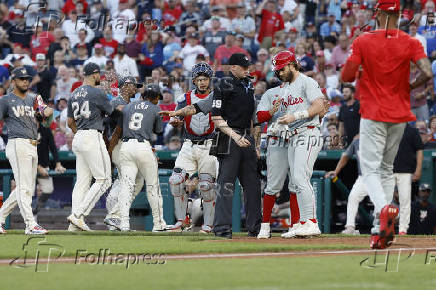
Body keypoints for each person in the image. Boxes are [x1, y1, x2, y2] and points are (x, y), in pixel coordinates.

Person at [341, 0, 433, 249]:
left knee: (369, 170)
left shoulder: (364, 40)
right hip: (400, 114)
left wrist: (358, 67)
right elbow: (427, 72)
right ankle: (377, 229)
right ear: (400, 14)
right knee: (385, 168)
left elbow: (346, 76)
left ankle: (384, 209)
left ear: (377, 13)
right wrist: (408, 88)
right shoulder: (410, 41)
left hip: (373, 112)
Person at [272, 51, 326, 237]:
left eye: (282, 68)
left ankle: (311, 222)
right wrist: (279, 126)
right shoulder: (287, 87)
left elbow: (320, 106)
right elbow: (289, 115)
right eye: (277, 70)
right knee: (295, 182)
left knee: (300, 177)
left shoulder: (306, 81)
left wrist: (297, 116)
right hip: (294, 135)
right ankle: (302, 222)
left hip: (309, 133)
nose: (279, 73)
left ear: (292, 64)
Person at [66, 62, 122, 231]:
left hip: (79, 136)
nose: (101, 77)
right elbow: (113, 112)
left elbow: (70, 122)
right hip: (92, 135)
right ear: (94, 74)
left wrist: (81, 135)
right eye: (99, 74)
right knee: (104, 180)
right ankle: (78, 215)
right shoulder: (97, 92)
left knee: (82, 182)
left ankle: (74, 225)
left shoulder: (74, 93)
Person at [211, 53, 261, 238]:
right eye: (243, 66)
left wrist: (256, 146)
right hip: (228, 136)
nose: (247, 69)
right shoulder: (222, 84)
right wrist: (235, 136)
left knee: (253, 186)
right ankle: (222, 229)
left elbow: (253, 118)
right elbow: (216, 117)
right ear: (232, 67)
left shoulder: (249, 85)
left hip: (246, 138)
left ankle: (255, 228)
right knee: (226, 185)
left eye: (247, 66)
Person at [165, 62, 218, 234]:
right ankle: (182, 220)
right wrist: (175, 122)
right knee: (175, 180)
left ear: (210, 80)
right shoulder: (183, 98)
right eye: (199, 79)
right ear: (194, 81)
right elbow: (176, 120)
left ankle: (208, 225)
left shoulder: (217, 98)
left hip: (210, 144)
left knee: (206, 185)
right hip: (188, 143)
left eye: (205, 79)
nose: (202, 82)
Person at [0, 67, 54, 235]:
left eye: (27, 79)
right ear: (13, 81)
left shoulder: (34, 98)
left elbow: (46, 116)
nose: (25, 81)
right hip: (17, 143)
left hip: (32, 144)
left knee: (26, 188)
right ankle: (30, 224)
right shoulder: (6, 100)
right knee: (24, 187)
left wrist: (48, 113)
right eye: (21, 78)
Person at [107, 84, 167, 232]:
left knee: (127, 186)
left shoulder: (128, 106)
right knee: (153, 186)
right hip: (142, 146)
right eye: (158, 98)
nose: (158, 101)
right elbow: (158, 131)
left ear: (143, 95)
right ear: (155, 98)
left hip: (126, 148)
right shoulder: (155, 108)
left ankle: (124, 224)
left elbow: (118, 130)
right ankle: (158, 224)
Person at [104, 76, 144, 231]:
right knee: (128, 179)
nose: (136, 89)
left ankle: (116, 217)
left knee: (132, 180)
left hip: (128, 145)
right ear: (126, 86)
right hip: (118, 145)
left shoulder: (131, 104)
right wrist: (109, 149)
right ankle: (114, 216)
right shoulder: (114, 102)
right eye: (134, 85)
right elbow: (106, 125)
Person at [325, 135, 366, 235]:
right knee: (353, 197)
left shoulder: (379, 138)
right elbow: (345, 156)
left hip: (379, 177)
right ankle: (350, 227)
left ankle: (382, 226)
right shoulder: (357, 141)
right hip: (363, 177)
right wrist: (336, 171)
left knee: (382, 203)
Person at [393, 124, 424, 235]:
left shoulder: (412, 131)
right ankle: (383, 226)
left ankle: (403, 229)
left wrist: (418, 169)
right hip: (388, 170)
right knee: (384, 200)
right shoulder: (388, 128)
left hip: (406, 171)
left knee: (405, 200)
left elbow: (419, 150)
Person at [34, 117, 66, 216]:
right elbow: (25, 152)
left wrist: (58, 163)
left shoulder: (46, 130)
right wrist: (38, 167)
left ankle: (34, 212)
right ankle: (5, 215)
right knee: (26, 192)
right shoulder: (25, 131)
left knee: (48, 189)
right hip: (28, 166)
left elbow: (53, 147)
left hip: (44, 165)